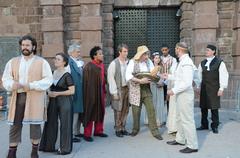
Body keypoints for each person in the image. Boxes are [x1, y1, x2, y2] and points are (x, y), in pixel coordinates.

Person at [2, 35, 53, 158]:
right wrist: (12, 84)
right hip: (18, 97)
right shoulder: (12, 62)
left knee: (35, 125)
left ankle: (34, 151)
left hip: (35, 97)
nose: (25, 47)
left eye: (27, 45)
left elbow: (48, 80)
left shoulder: (42, 62)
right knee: (15, 124)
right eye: (23, 45)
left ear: (33, 46)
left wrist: (31, 85)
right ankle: (12, 152)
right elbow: (6, 78)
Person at [165, 42, 198, 153]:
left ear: (179, 49)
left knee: (187, 120)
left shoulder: (187, 62)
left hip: (185, 94)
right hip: (181, 94)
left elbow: (187, 83)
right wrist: (167, 76)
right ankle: (180, 139)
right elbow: (179, 77)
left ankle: (192, 145)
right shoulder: (183, 61)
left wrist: (173, 91)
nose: (175, 50)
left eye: (176, 48)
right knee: (179, 118)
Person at [39, 53, 74, 155]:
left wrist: (57, 93)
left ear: (64, 62)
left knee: (65, 125)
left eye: (58, 59)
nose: (55, 60)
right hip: (53, 101)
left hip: (65, 101)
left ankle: (65, 148)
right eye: (55, 58)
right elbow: (48, 87)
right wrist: (48, 92)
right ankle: (48, 146)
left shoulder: (67, 75)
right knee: (50, 123)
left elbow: (72, 91)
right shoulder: (52, 73)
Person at [125, 45, 163, 140]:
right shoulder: (132, 62)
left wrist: (156, 71)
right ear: (140, 55)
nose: (147, 56)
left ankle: (155, 131)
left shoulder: (149, 62)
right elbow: (128, 76)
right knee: (136, 112)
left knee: (151, 110)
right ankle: (135, 129)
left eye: (147, 54)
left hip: (146, 88)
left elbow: (152, 73)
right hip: (135, 89)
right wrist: (140, 81)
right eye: (145, 54)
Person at [196, 44, 229, 134]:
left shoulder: (220, 62)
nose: (206, 52)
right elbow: (198, 75)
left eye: (208, 50)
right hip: (204, 87)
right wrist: (198, 86)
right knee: (203, 107)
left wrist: (221, 88)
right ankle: (204, 124)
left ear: (213, 51)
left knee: (214, 107)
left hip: (214, 88)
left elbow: (224, 75)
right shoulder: (202, 63)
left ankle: (215, 126)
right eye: (206, 50)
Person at [83, 46, 108, 142]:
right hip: (91, 95)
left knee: (100, 111)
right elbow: (86, 83)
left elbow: (103, 78)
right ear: (94, 56)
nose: (102, 55)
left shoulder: (101, 65)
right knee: (90, 112)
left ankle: (98, 131)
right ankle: (87, 134)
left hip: (101, 93)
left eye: (102, 53)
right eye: (100, 54)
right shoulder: (89, 67)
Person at [107, 44, 130, 137]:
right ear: (119, 52)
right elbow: (110, 78)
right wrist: (114, 92)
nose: (126, 53)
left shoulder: (128, 62)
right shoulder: (114, 63)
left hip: (127, 89)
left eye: (127, 51)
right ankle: (118, 128)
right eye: (124, 51)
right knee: (118, 110)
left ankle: (123, 127)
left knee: (126, 109)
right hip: (118, 89)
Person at [143, 52, 166, 127]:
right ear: (153, 59)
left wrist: (162, 83)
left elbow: (164, 77)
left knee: (159, 103)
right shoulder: (150, 67)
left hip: (160, 87)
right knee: (152, 103)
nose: (157, 59)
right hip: (152, 86)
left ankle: (159, 120)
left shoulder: (161, 67)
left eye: (159, 58)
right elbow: (148, 76)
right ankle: (150, 120)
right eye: (156, 58)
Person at [67, 43, 84, 142]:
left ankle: (77, 131)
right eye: (77, 52)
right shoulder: (69, 63)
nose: (79, 53)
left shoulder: (79, 62)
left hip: (80, 90)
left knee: (79, 112)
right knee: (74, 113)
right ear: (72, 52)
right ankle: (71, 134)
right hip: (74, 91)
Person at [160, 44, 177, 112]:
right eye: (163, 50)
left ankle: (169, 114)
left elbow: (174, 71)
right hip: (161, 81)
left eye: (165, 50)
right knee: (161, 99)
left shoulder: (173, 59)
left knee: (169, 99)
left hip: (169, 81)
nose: (164, 51)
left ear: (168, 50)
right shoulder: (159, 58)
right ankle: (161, 117)